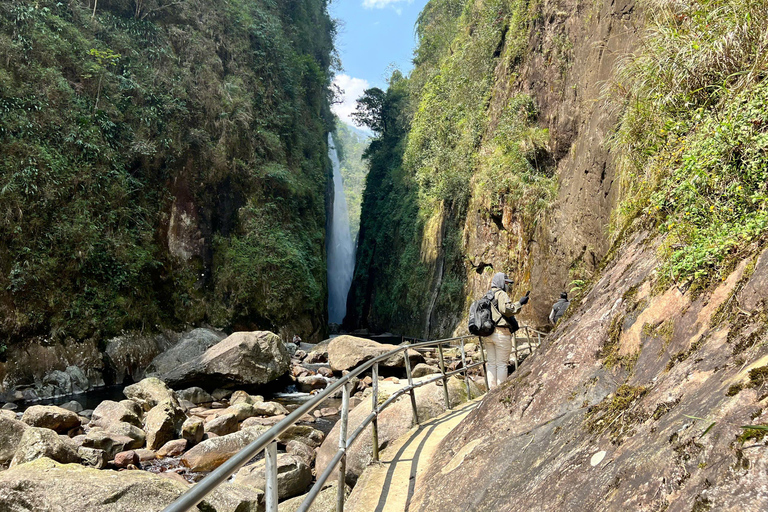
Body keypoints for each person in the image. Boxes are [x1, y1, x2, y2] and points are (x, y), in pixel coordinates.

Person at [482, 272, 529, 389]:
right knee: (502, 364)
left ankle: (491, 391)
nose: (507, 285)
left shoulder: (486, 295)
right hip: (501, 333)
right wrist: (520, 303)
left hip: (488, 334)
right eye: (506, 282)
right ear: (500, 282)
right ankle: (499, 391)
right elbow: (507, 310)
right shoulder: (501, 294)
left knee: (492, 363)